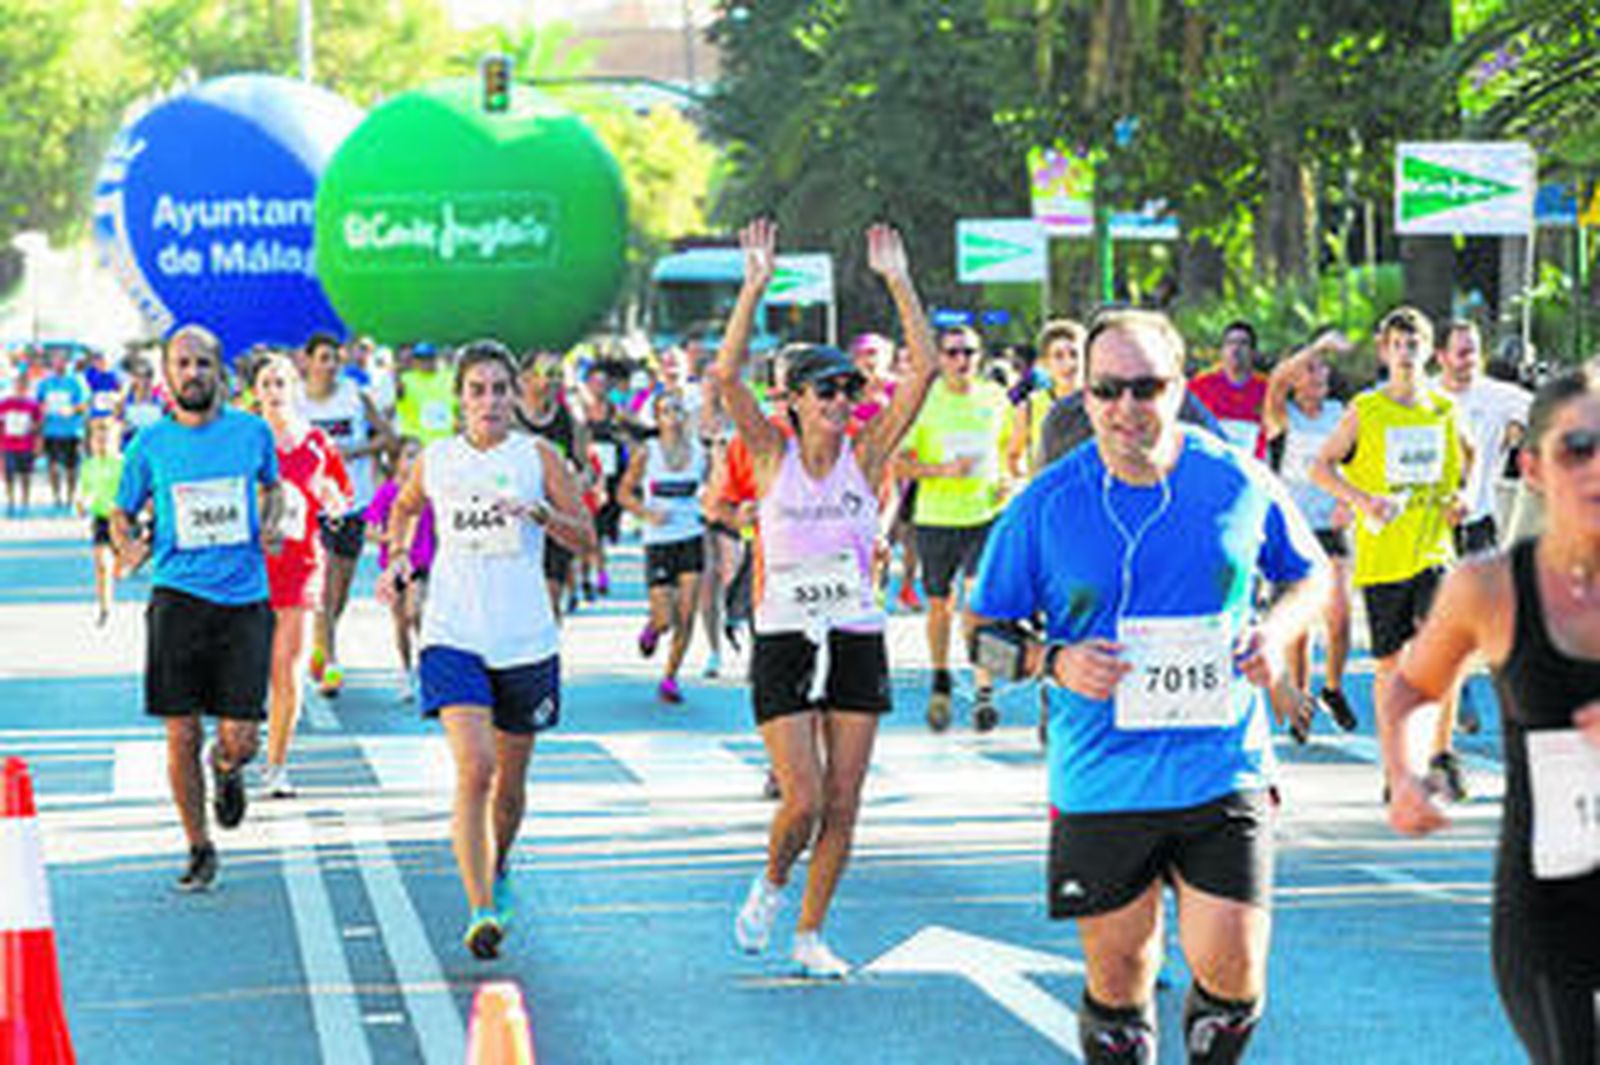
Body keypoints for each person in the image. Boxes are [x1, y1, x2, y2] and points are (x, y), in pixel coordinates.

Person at [969, 309, 1330, 1063]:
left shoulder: (1235, 476)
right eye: (1108, 390)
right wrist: (1054, 663)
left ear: (1178, 385)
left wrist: (1277, 632)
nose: (1127, 407)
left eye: (1147, 387)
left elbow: (1311, 575)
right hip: (1103, 774)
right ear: (1087, 396)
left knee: (1233, 971)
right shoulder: (1046, 503)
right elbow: (983, 637)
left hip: (1222, 760)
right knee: (1123, 977)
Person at [718, 219, 936, 979]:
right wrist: (753, 287)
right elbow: (724, 381)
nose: (846, 399)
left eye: (852, 387)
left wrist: (898, 280)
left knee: (845, 802)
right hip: (784, 634)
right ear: (798, 401)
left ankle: (811, 933)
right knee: (803, 799)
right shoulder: (771, 455)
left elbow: (926, 370)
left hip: (854, 632)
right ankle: (773, 883)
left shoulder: (867, 454)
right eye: (830, 389)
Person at [1379, 367, 1600, 1064]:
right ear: (1531, 467)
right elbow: (1411, 687)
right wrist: (1408, 773)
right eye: (1580, 446)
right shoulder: (1489, 587)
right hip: (1550, 902)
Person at [377, 340, 595, 959]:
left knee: (510, 786)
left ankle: (499, 869)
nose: (491, 401)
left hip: (525, 638)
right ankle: (479, 909)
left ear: (517, 395)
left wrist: (544, 514)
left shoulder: (539, 456)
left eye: (501, 388)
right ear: (460, 399)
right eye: (478, 389)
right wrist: (398, 561)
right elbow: (404, 508)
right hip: (453, 634)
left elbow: (584, 540)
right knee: (476, 768)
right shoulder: (437, 460)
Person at [110, 324, 284, 892]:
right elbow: (121, 510)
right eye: (182, 364)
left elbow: (272, 486)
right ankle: (198, 845)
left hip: (243, 599)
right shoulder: (149, 444)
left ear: (220, 372)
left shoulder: (252, 432)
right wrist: (128, 542)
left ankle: (227, 766)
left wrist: (274, 519)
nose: (192, 374)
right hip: (177, 597)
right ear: (167, 374)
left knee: (242, 736)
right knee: (180, 731)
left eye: (202, 364)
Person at [1310, 307, 1474, 800]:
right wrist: (1361, 501)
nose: (1406, 354)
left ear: (1430, 353)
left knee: (1442, 644)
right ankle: (1396, 768)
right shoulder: (1366, 409)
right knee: (1390, 667)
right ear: (1385, 351)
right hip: (1383, 558)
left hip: (1433, 550)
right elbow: (1321, 467)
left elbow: (1466, 458)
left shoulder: (1443, 409)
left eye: (1415, 345)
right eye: (1398, 345)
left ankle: (1442, 754)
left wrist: (1460, 499)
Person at [899, 324, 1012, 732]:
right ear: (940, 358)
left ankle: (984, 691)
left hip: (984, 514)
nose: (961, 360)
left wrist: (1008, 482)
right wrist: (941, 470)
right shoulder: (926, 401)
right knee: (940, 607)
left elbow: (1009, 453)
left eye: (969, 352)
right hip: (936, 517)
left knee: (979, 601)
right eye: (952, 353)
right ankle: (941, 678)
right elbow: (898, 463)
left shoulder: (995, 397)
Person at [253, 354, 352, 798]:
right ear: (256, 392)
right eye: (266, 383)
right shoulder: (243, 439)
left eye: (280, 382)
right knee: (244, 673)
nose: (274, 391)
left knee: (287, 672)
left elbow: (341, 492)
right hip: (248, 568)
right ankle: (235, 749)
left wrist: (333, 497)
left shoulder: (316, 442)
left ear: (293, 388)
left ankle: (275, 766)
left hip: (300, 565)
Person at [1261, 330, 1359, 734]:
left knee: (1338, 613)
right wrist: (1315, 347)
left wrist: (1349, 502)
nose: (1318, 374)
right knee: (1298, 629)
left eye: (1323, 367)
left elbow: (1360, 462)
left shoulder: (1342, 413)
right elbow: (1276, 381)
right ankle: (1301, 700)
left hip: (1329, 525)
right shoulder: (1282, 416)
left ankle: (1333, 687)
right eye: (1309, 368)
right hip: (1292, 527)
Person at [301, 332, 393, 698]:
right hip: (313, 504)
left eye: (335, 359)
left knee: (339, 592)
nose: (330, 365)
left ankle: (321, 644)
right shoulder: (294, 401)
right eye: (323, 358)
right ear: (306, 361)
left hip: (352, 501)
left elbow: (388, 438)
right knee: (323, 586)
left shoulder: (355, 397)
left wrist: (352, 451)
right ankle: (331, 663)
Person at [619, 389, 709, 704]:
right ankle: (653, 629)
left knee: (686, 615)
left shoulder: (700, 452)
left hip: (691, 537)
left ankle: (670, 678)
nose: (672, 415)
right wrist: (645, 513)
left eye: (677, 409)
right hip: (658, 541)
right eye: (665, 410)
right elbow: (624, 493)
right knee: (666, 617)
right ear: (657, 418)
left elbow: (713, 490)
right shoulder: (648, 452)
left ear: (685, 415)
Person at [1435, 320, 1531, 558]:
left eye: (1475, 351)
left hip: (1479, 523)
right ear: (1440, 356)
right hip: (1430, 528)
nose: (1471, 360)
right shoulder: (1423, 395)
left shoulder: (1500, 396)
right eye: (1462, 353)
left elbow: (1555, 411)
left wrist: (1521, 430)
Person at [514, 351, 589, 619]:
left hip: (554, 519)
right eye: (548, 374)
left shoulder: (570, 421)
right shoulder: (508, 420)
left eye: (558, 374)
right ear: (525, 379)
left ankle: (545, 657)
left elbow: (584, 466)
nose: (554, 381)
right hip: (516, 522)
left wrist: (577, 481)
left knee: (549, 602)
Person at [366, 437, 434, 702]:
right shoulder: (387, 492)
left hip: (422, 563)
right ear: (396, 462)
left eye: (419, 456)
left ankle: (426, 667)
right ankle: (406, 671)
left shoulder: (430, 492)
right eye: (408, 456)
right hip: (394, 566)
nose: (414, 462)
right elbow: (370, 529)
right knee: (401, 622)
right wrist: (391, 538)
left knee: (415, 612)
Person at [1008, 319, 1086, 478]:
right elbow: (1014, 455)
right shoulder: (1029, 407)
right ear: (1044, 364)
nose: (1069, 364)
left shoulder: (1102, 402)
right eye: (1058, 356)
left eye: (1074, 354)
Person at [1188, 320, 1267, 456]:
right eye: (1230, 343)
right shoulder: (1200, 385)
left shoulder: (1266, 389)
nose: (1236, 349)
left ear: (1253, 352)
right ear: (1222, 351)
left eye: (1243, 343)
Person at [78, 417, 124, 626]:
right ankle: (105, 607)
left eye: (106, 439)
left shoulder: (123, 463)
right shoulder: (89, 465)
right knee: (102, 564)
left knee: (118, 568)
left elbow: (134, 490)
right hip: (101, 518)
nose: (101, 443)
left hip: (122, 519)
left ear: (116, 440)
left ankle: (122, 566)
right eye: (97, 439)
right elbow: (85, 491)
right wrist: (81, 503)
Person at [35, 352, 90, 510]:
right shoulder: (45, 383)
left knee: (71, 467)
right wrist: (42, 412)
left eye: (62, 362)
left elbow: (85, 404)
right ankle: (56, 496)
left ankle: (70, 495)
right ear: (52, 364)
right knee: (52, 466)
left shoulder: (75, 382)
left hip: (71, 431)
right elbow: (38, 404)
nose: (59, 365)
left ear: (67, 364)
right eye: (56, 362)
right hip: (51, 431)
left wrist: (72, 409)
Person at [0, 373, 42, 515]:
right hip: (7, 445)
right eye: (18, 385)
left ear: (27, 388)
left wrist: (38, 444)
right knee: (8, 474)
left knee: (26, 474)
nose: (20, 388)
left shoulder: (32, 405)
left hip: (26, 444)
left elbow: (38, 425)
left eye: (23, 386)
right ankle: (11, 500)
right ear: (14, 386)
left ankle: (25, 501)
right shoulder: (5, 404)